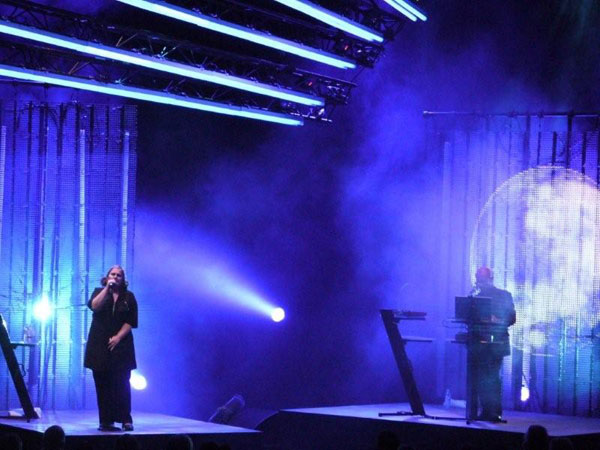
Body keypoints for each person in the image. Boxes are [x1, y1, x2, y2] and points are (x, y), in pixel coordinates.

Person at [84, 265, 138, 432]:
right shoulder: (98, 292)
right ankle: (106, 421)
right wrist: (107, 289)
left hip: (121, 345)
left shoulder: (128, 297)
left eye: (118, 275)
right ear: (107, 277)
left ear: (123, 279)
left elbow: (131, 321)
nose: (115, 277)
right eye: (112, 274)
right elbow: (94, 306)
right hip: (99, 345)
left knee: (122, 383)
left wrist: (118, 337)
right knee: (102, 384)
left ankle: (125, 419)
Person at [470, 266, 516, 422]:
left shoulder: (504, 295)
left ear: (490, 279)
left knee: (492, 377)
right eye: (478, 279)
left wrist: (497, 320)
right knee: (480, 378)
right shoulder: (475, 297)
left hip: (497, 343)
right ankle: (485, 411)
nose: (480, 282)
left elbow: (512, 319)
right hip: (479, 343)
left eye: (482, 279)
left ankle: (494, 412)